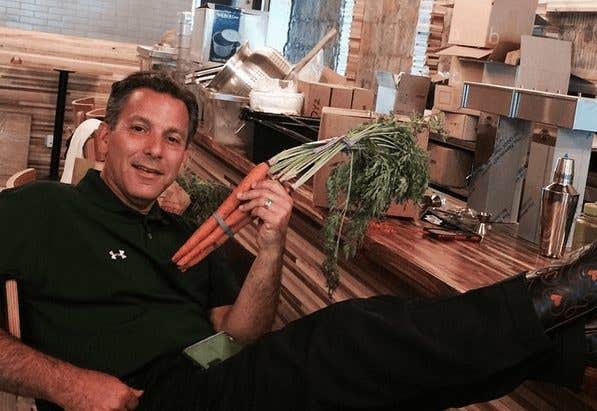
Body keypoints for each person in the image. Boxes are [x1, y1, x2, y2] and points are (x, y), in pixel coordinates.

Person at [0, 71, 594, 411]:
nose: (156, 150)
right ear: (104, 139)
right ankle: (560, 306)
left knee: (382, 375)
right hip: (141, 400)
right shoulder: (43, 208)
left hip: (209, 382)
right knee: (348, 334)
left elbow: (239, 334)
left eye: (173, 139)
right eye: (140, 130)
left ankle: (567, 340)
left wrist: (274, 241)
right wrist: (69, 385)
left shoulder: (185, 232)